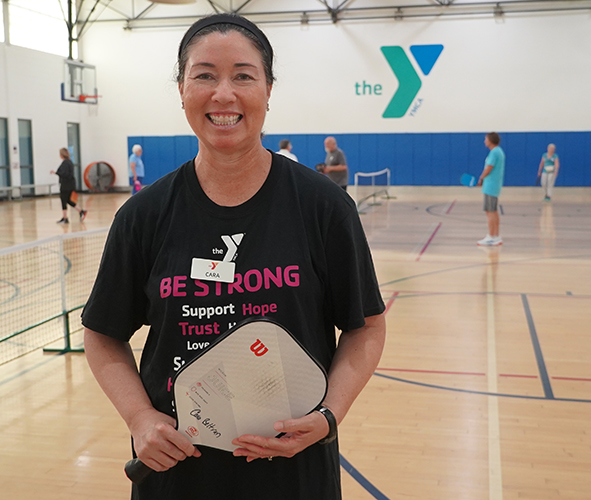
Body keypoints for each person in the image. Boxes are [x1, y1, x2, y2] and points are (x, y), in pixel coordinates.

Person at [81, 13, 385, 500]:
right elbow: (101, 335)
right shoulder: (143, 215)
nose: (224, 94)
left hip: (294, 476)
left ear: (268, 89)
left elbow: (366, 327)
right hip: (177, 476)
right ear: (181, 89)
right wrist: (140, 419)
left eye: (243, 75)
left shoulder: (324, 208)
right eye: (204, 75)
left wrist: (330, 414)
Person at [476, 132, 505, 246]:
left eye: (486, 139)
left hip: (491, 186)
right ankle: (496, 236)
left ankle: (492, 236)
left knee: (490, 212)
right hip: (494, 185)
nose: (484, 141)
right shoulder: (499, 151)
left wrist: (481, 178)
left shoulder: (494, 153)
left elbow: (488, 168)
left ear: (491, 140)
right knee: (493, 211)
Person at [50, 148, 86, 223]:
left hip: (66, 185)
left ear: (61, 155)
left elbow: (64, 174)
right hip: (70, 184)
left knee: (63, 200)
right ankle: (81, 211)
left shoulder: (65, 163)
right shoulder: (69, 162)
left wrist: (56, 173)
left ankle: (65, 218)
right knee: (68, 200)